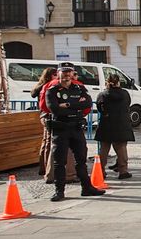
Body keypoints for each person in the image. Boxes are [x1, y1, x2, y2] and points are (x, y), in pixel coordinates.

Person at [44, 63, 105, 201]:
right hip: (61, 128)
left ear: (72, 73)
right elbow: (55, 109)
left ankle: (86, 188)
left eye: (69, 72)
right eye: (64, 72)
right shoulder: (52, 91)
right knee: (59, 162)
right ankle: (59, 191)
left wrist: (67, 104)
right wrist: (76, 106)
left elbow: (87, 103)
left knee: (81, 160)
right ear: (58, 73)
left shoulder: (79, 88)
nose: (67, 75)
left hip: (76, 127)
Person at [94, 73, 135, 179]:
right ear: (119, 82)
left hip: (107, 123)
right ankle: (123, 171)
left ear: (107, 82)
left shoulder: (103, 95)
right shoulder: (125, 94)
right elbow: (128, 104)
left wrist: (106, 113)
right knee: (121, 147)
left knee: (104, 148)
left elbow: (100, 108)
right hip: (122, 123)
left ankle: (100, 171)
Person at [31, 66, 58, 178]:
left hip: (43, 114)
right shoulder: (47, 86)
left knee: (45, 141)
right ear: (50, 76)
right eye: (55, 75)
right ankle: (47, 168)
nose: (57, 77)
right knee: (48, 142)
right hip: (46, 114)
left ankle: (43, 167)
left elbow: (33, 93)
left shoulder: (41, 85)